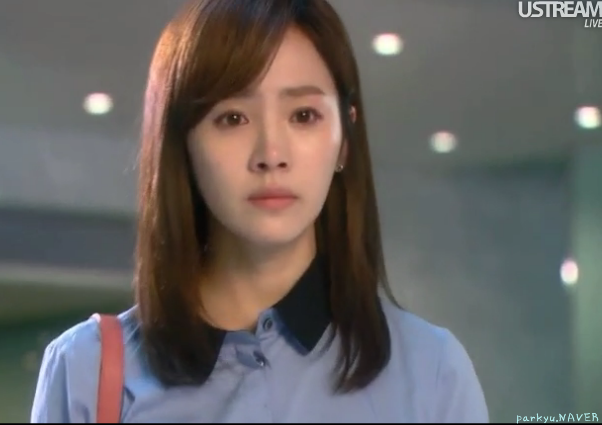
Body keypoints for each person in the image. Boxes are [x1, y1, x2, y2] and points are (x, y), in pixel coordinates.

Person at [30, 0, 489, 422]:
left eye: (303, 115)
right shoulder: (86, 370)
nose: (271, 154)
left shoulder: (431, 371)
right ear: (183, 143)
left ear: (345, 139)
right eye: (232, 118)